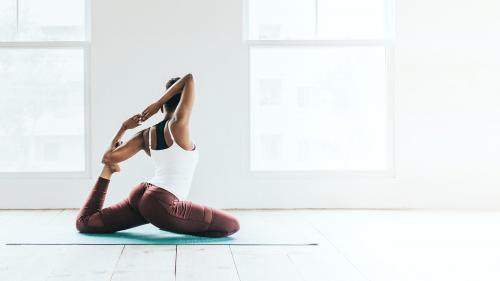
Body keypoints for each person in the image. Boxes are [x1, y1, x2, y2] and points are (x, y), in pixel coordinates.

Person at [76, 73, 240, 237]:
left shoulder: (145, 135)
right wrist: (157, 103)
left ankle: (163, 218)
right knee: (232, 225)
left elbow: (108, 158)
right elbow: (189, 78)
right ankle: (166, 221)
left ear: (163, 108)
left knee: (87, 222)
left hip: (141, 195)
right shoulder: (178, 126)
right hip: (162, 204)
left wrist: (124, 127)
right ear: (185, 105)